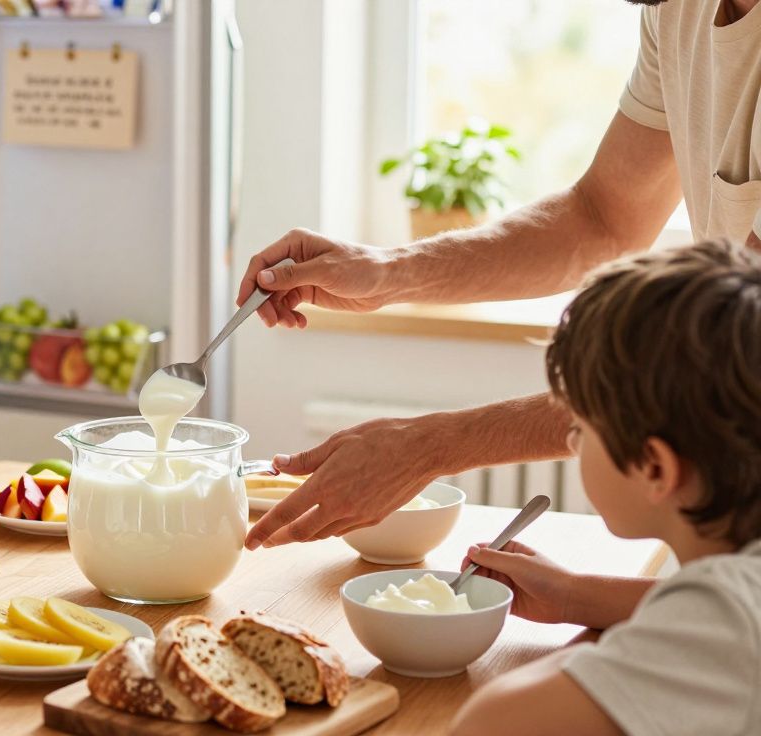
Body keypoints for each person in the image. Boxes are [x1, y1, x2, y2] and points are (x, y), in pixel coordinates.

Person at [243, 0, 761, 549]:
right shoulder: (678, 9)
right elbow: (601, 217)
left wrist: (429, 447)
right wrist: (384, 272)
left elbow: (725, 361)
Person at [447, 239, 761, 735]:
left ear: (655, 468)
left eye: (580, 430)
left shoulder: (723, 621)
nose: (573, 444)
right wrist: (573, 596)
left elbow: (488, 724)